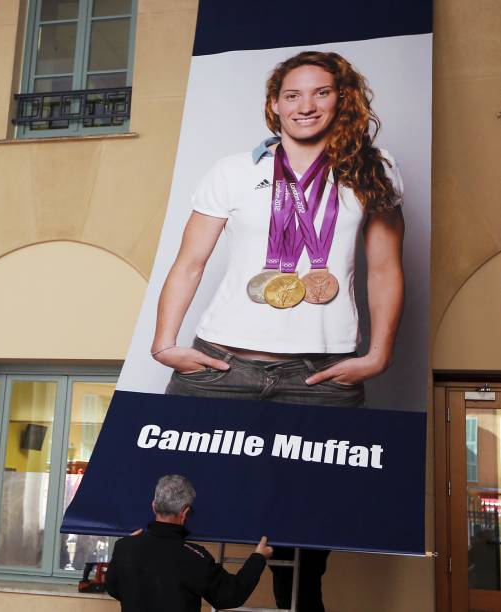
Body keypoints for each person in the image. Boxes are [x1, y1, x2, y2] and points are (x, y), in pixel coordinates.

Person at [151, 51, 405, 611]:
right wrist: (166, 344)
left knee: (308, 532)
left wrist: (379, 354)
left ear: (342, 99)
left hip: (320, 376)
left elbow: (386, 267)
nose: (305, 105)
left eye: (320, 92)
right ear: (273, 104)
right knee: (170, 505)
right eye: (292, 95)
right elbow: (189, 262)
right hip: (223, 367)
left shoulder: (372, 168)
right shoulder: (233, 171)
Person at [105, 474, 272, 612]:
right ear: (185, 512)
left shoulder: (124, 546)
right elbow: (230, 596)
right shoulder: (195, 556)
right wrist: (258, 558)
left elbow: (113, 588)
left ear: (154, 506)